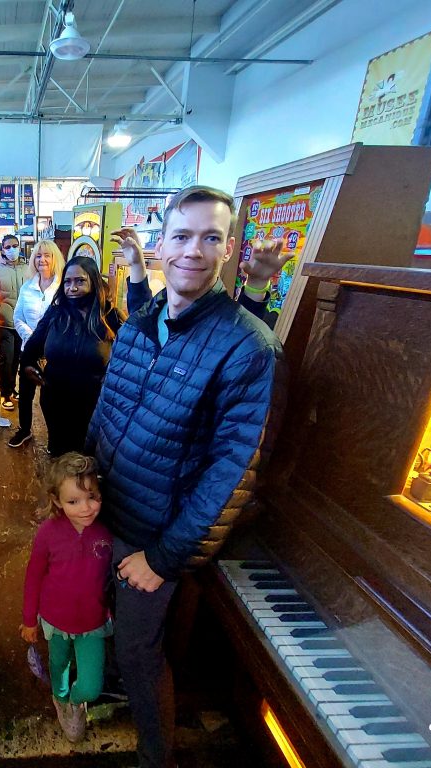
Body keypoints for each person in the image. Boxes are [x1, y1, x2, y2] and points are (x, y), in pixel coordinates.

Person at [88, 187, 286, 768]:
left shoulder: (248, 346)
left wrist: (165, 558)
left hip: (155, 536)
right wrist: (75, 494)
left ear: (229, 250)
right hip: (105, 513)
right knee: (109, 627)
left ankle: (157, 759)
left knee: (141, 651)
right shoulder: (141, 323)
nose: (193, 251)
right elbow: (107, 411)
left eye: (210, 237)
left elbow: (233, 473)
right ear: (160, 245)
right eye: (181, 235)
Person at [20, 452, 113, 743]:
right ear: (57, 501)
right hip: (55, 621)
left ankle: (76, 700)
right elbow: (33, 576)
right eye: (74, 501)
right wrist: (28, 620)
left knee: (92, 685)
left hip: (93, 623)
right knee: (58, 668)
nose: (86, 508)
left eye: (92, 497)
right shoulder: (48, 533)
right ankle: (61, 699)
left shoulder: (107, 532)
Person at [21, 255, 123, 457]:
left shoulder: (110, 317)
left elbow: (130, 359)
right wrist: (29, 366)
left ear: (94, 281)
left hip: (94, 406)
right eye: (67, 282)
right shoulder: (56, 314)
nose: (72, 288)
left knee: (87, 462)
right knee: (60, 459)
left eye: (80, 281)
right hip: (55, 402)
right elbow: (31, 348)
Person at [8, 239, 64, 449]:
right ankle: (24, 429)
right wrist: (32, 339)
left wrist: (47, 342)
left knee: (51, 399)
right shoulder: (27, 287)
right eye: (38, 256)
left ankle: (55, 437)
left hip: (55, 354)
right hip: (29, 351)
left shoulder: (63, 288)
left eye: (47, 255)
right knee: (25, 395)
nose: (42, 260)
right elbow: (17, 317)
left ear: (54, 259)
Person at [0, 233, 27, 414]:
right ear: (2, 249)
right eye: (8, 246)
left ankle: (12, 388)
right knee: (7, 359)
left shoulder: (27, 268)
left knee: (18, 359)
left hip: (24, 324)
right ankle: (4, 393)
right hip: (5, 323)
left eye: (15, 245)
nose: (12, 249)